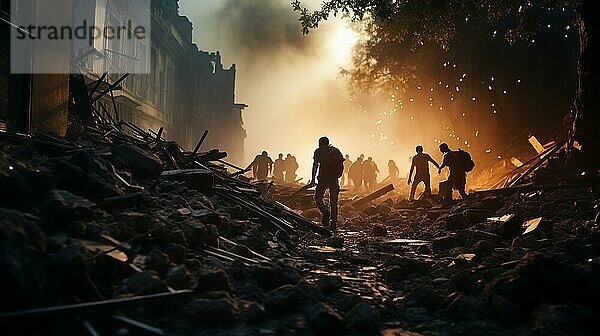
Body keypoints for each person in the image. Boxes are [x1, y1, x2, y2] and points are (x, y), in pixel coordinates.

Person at [309, 137, 345, 230]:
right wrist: (338, 175)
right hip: (333, 179)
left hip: (323, 178)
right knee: (334, 201)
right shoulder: (336, 151)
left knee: (318, 197)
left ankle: (325, 210)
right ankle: (333, 223)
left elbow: (315, 165)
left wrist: (313, 179)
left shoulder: (318, 151)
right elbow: (341, 163)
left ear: (320, 143)